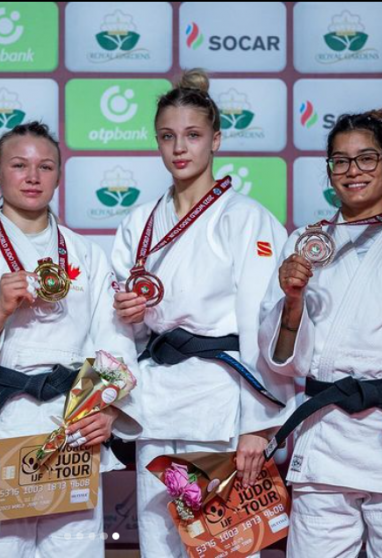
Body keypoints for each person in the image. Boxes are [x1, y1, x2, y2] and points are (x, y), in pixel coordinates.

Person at [0, 121, 141, 558]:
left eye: (45, 166)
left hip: (72, 428)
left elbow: (114, 344)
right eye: (19, 165)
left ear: (59, 176)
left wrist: (109, 411)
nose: (33, 176)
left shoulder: (86, 254)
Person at [111, 69, 292, 557]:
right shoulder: (138, 222)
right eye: (167, 136)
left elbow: (263, 324)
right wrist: (128, 313)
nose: (179, 148)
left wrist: (257, 424)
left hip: (220, 405)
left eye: (192, 135)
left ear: (216, 139)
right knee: (159, 547)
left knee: (226, 548)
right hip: (156, 404)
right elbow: (123, 331)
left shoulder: (246, 218)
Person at [258, 110, 382, 558]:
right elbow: (280, 360)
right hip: (326, 437)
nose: (353, 171)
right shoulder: (303, 245)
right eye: (341, 161)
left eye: (366, 158)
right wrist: (292, 300)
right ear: (329, 171)